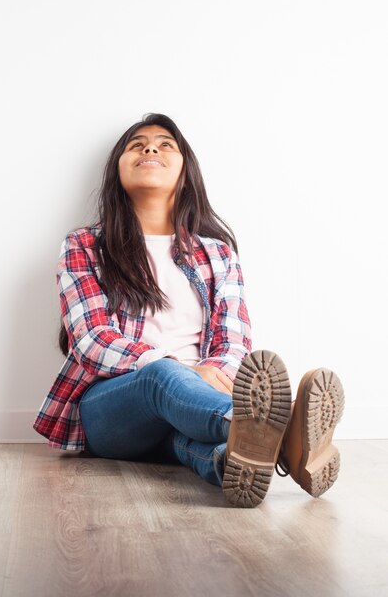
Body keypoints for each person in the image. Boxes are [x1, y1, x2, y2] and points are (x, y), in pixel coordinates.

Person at [32, 113, 345, 508]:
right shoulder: (84, 246)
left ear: (185, 172)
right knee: (161, 375)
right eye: (136, 145)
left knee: (189, 444)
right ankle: (284, 435)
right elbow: (91, 339)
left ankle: (239, 456)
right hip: (112, 408)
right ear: (117, 171)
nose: (150, 149)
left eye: (165, 145)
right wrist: (183, 370)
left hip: (193, 406)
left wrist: (210, 375)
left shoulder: (217, 254)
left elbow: (234, 340)